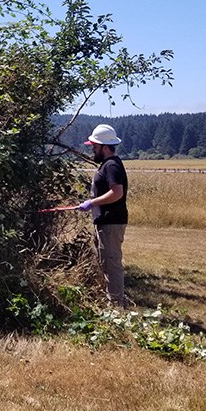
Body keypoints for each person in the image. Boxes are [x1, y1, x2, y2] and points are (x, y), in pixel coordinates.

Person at [76, 124, 129, 308]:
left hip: (111, 223)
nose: (93, 150)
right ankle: (116, 302)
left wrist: (92, 202)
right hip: (106, 222)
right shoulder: (108, 165)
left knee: (112, 264)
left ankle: (116, 308)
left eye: (94, 147)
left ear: (105, 147)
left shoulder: (112, 166)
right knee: (107, 263)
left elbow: (117, 193)